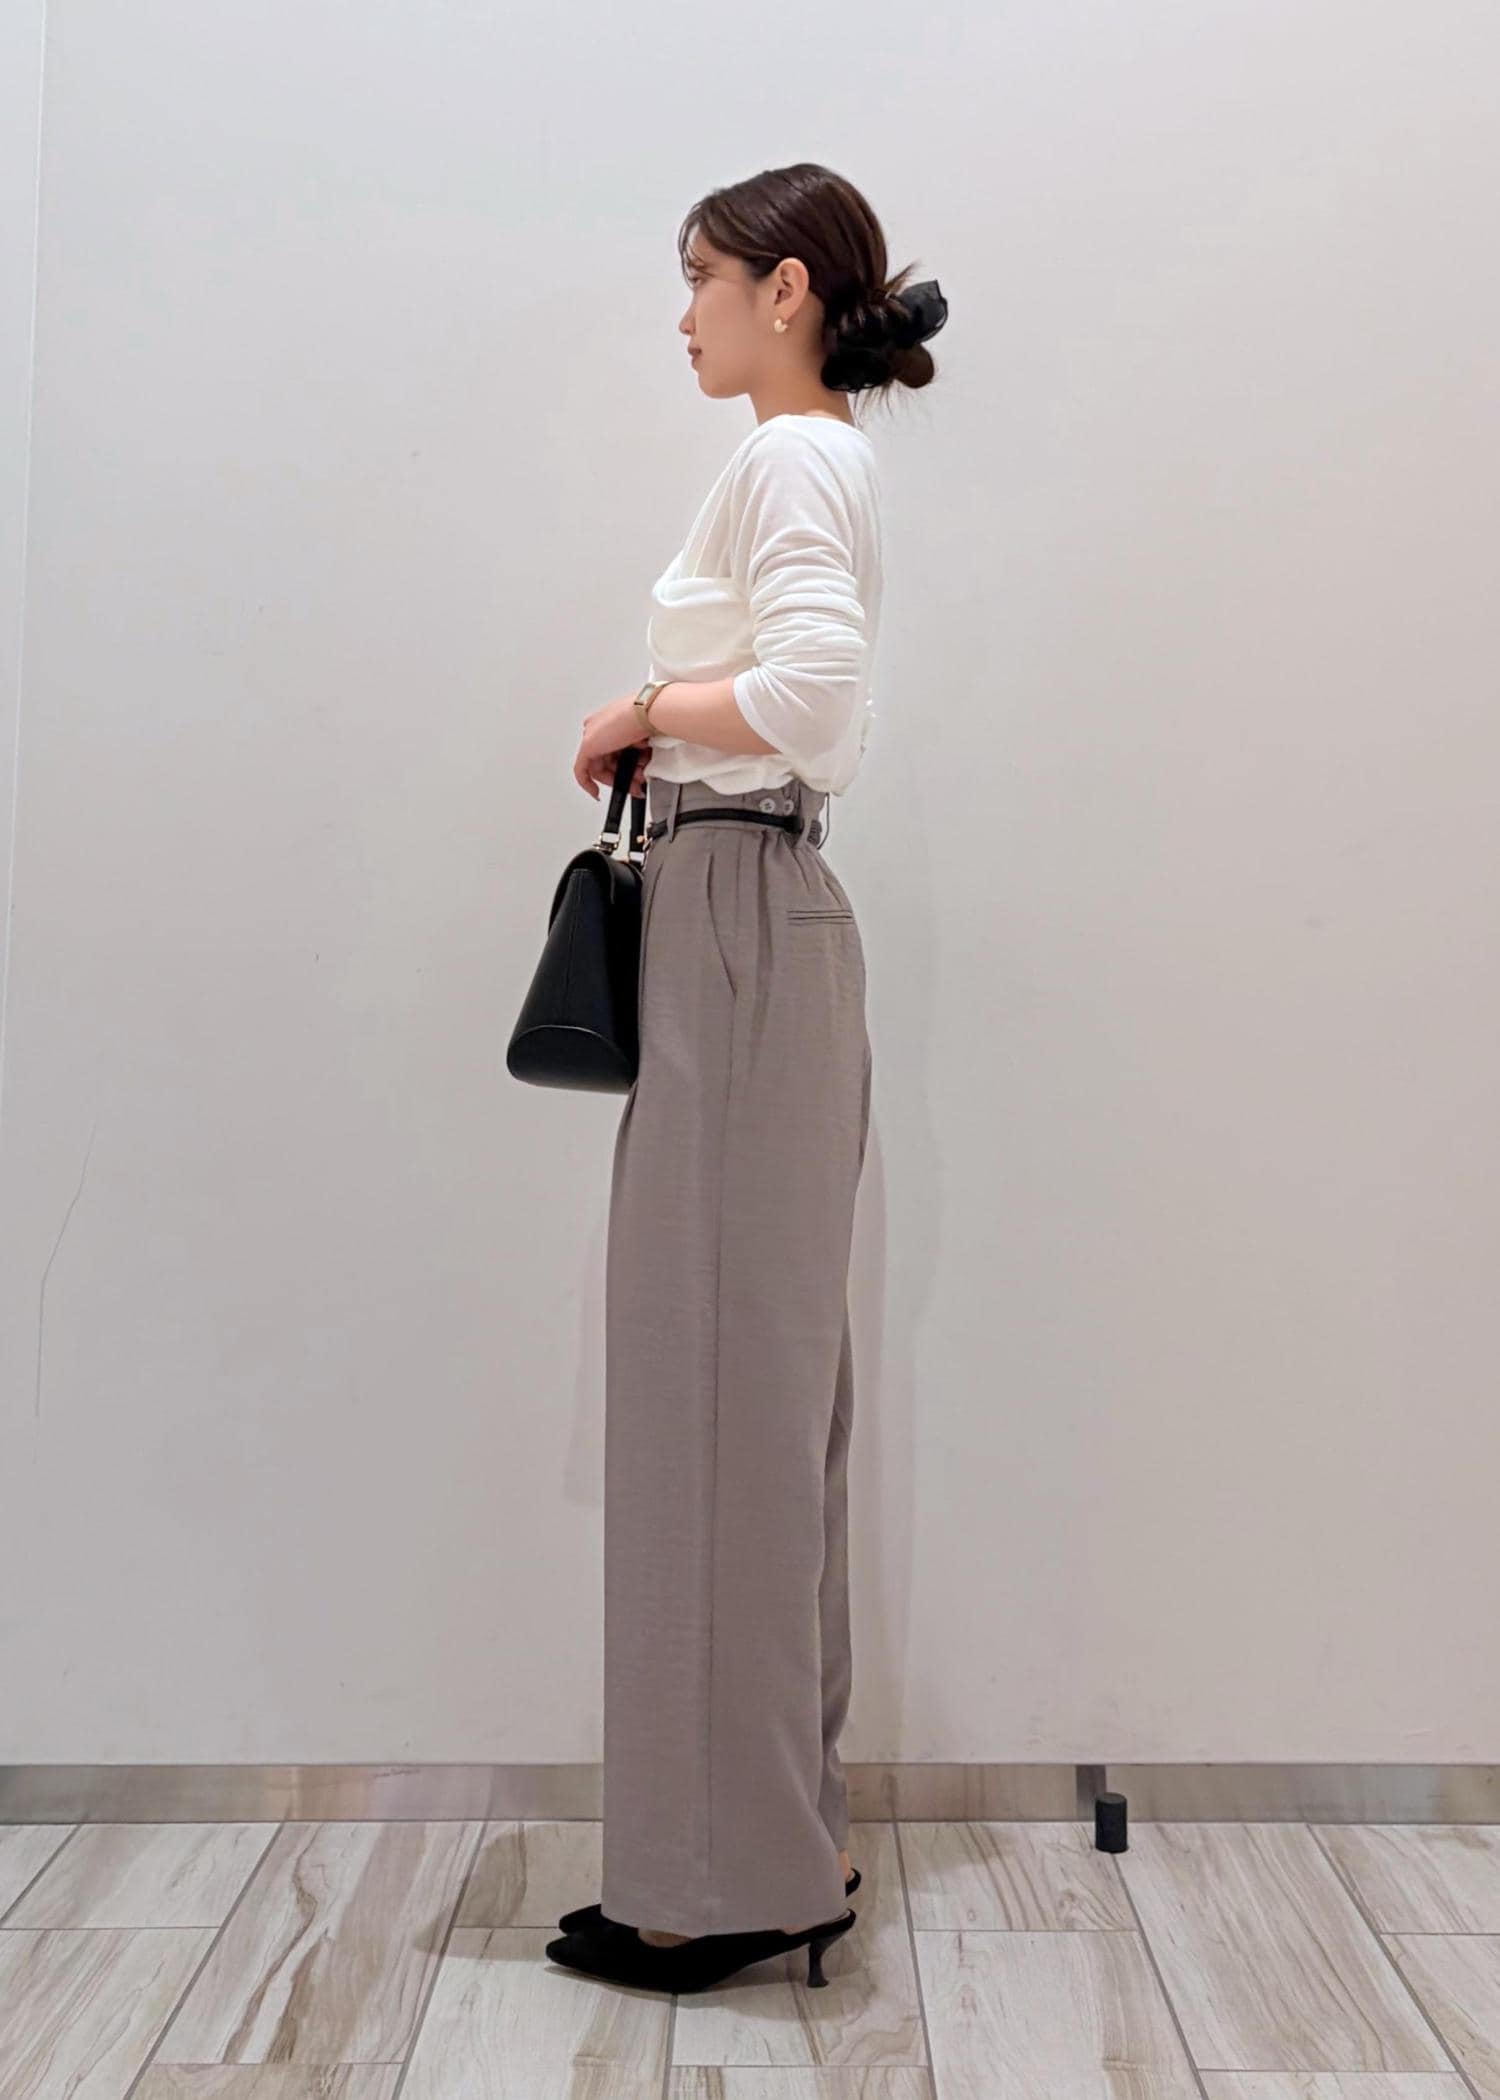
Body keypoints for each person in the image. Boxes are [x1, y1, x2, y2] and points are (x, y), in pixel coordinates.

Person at [547, 161, 946, 1997]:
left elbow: (812, 700)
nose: (683, 312)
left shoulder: (791, 457)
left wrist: (640, 711)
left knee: (716, 1398)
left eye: (700, 277)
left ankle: (724, 1885)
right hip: (748, 914)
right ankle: (775, 1846)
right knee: (755, 1403)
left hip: (740, 921)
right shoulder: (815, 458)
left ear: (783, 290)